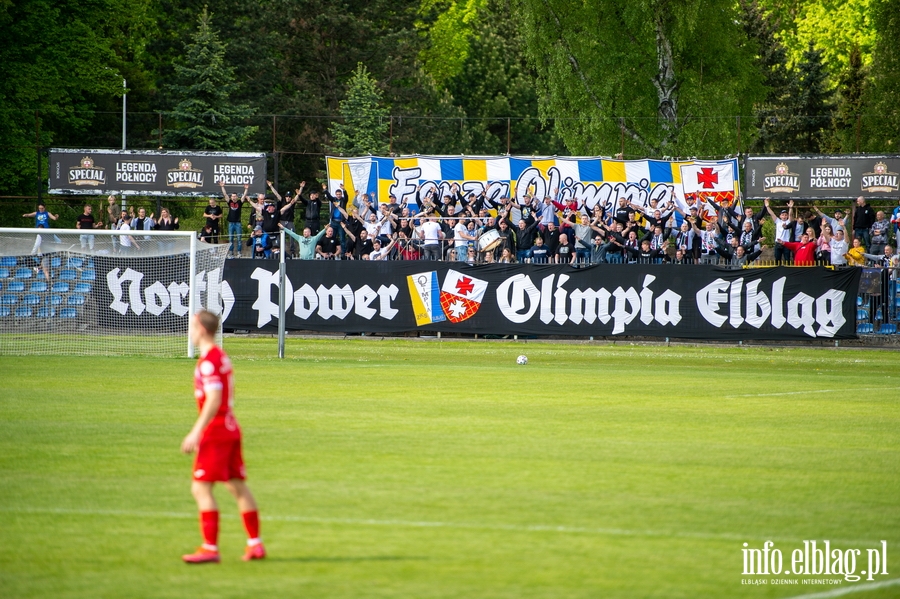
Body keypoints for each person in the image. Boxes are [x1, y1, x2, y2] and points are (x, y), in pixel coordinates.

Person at [181, 310, 264, 564]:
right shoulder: (220, 357)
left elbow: (214, 398)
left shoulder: (209, 361)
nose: (190, 332)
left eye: (192, 327)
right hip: (230, 427)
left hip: (216, 431)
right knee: (236, 485)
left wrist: (196, 431)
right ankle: (255, 544)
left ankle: (210, 548)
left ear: (202, 329)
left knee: (200, 488)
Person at [219, 180, 248, 258]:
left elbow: (244, 196)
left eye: (235, 196)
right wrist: (222, 186)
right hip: (231, 223)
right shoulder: (229, 202)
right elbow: (225, 194)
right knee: (230, 239)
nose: (234, 197)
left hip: (238, 223)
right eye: (232, 196)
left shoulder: (239, 202)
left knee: (239, 239)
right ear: (231, 197)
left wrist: (246, 189)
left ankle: (239, 252)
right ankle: (231, 252)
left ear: (237, 197)